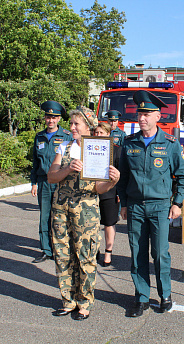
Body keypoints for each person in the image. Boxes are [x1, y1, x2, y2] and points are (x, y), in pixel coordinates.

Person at [117, 90, 184, 317]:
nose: (142, 118)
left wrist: (177, 202)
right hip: (136, 207)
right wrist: (124, 203)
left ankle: (165, 294)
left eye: (148, 114)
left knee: (160, 253)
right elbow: (123, 176)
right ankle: (141, 297)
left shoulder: (169, 144)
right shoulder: (129, 143)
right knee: (137, 253)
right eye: (140, 113)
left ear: (158, 116)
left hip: (160, 206)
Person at [47, 106, 120, 320]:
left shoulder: (99, 149)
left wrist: (111, 181)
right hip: (61, 209)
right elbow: (51, 177)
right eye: (71, 124)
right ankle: (68, 301)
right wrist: (67, 169)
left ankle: (84, 302)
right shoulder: (65, 147)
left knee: (85, 256)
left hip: (86, 211)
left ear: (88, 127)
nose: (71, 128)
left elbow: (99, 188)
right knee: (62, 255)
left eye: (76, 124)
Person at [30, 100, 72, 263]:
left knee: (62, 216)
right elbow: (35, 162)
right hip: (43, 182)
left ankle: (61, 249)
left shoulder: (66, 136)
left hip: (61, 182)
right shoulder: (39, 136)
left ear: (59, 119)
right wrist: (33, 182)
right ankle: (46, 250)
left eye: (54, 117)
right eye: (48, 117)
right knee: (45, 216)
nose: (51, 120)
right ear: (45, 118)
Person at [94, 122, 122, 266]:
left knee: (109, 223)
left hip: (110, 192)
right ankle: (95, 250)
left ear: (108, 134)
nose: (98, 135)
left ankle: (108, 252)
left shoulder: (116, 150)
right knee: (93, 224)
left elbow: (121, 174)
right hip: (92, 191)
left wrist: (120, 193)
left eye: (101, 133)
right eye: (96, 133)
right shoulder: (89, 148)